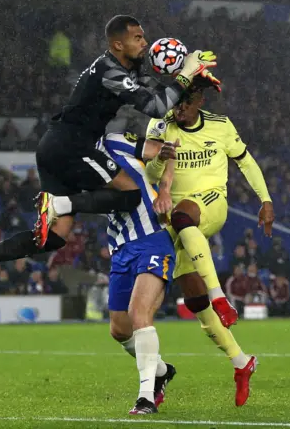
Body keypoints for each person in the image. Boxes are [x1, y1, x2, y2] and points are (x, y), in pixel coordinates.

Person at [0, 15, 218, 288]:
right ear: (118, 44)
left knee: (51, 239)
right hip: (71, 147)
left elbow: (157, 94)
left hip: (54, 148)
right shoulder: (110, 72)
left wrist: (194, 78)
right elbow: (157, 108)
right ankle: (60, 204)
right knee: (131, 194)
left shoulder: (123, 71)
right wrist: (183, 75)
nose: (144, 42)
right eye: (137, 37)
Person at [145, 81, 273, 406]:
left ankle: (220, 297)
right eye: (176, 104)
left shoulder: (220, 125)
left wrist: (266, 199)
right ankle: (241, 362)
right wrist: (161, 157)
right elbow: (149, 172)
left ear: (200, 100)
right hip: (174, 216)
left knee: (185, 216)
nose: (179, 109)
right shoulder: (161, 126)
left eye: (186, 103)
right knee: (193, 300)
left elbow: (245, 162)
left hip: (211, 203)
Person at [99, 132, 178, 415]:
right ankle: (160, 370)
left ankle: (146, 397)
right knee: (119, 330)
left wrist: (165, 190)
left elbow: (168, 150)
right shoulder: (77, 166)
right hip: (120, 246)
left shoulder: (115, 141)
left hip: (152, 238)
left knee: (139, 312)